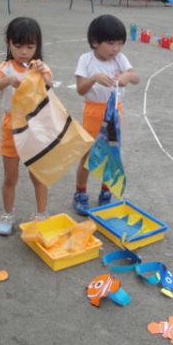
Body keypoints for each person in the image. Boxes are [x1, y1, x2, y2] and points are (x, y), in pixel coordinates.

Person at [0, 17, 52, 235]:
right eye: (18, 46)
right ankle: (7, 214)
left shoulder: (39, 67)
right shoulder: (4, 67)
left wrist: (42, 73)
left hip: (35, 126)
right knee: (10, 177)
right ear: (8, 43)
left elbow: (49, 87)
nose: (24, 52)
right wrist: (8, 80)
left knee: (38, 175)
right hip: (11, 127)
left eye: (30, 47)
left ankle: (42, 214)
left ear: (37, 46)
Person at [72, 14, 140, 215]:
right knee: (88, 155)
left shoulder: (120, 59)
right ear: (95, 42)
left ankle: (105, 193)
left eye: (119, 43)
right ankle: (80, 193)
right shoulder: (86, 60)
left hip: (114, 112)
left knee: (111, 155)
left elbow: (136, 77)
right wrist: (93, 78)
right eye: (111, 43)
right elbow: (80, 90)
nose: (116, 49)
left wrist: (127, 75)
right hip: (93, 112)